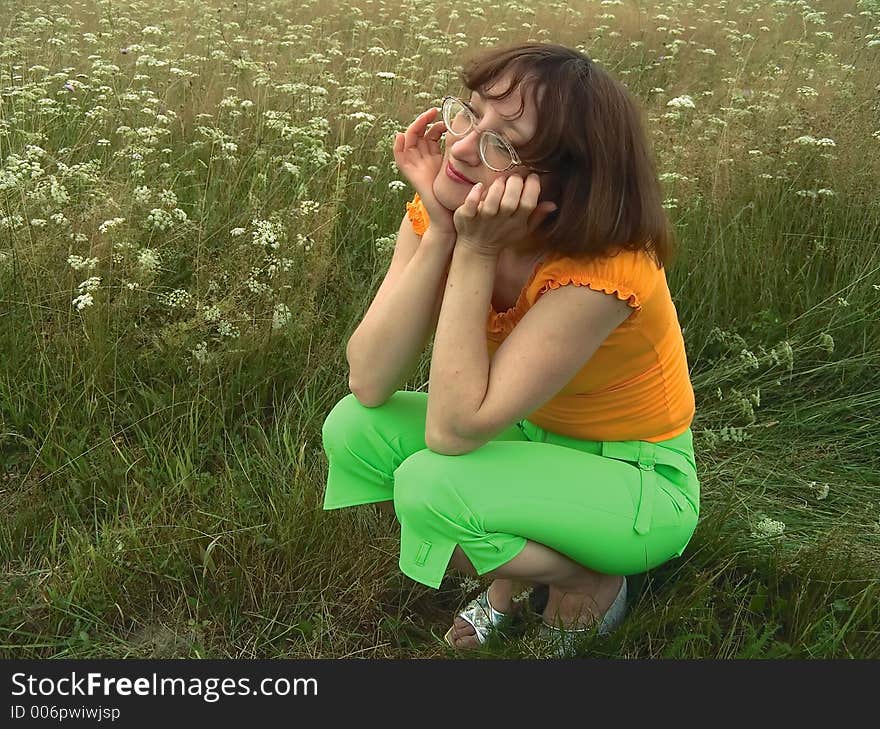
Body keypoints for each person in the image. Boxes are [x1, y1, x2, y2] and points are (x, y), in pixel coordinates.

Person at [321, 42, 700, 657]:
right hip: (533, 436)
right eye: (468, 114)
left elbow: (454, 429)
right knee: (355, 427)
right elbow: (369, 378)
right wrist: (443, 230)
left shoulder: (603, 270)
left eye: (507, 145)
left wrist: (473, 251)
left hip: (635, 479)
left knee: (431, 480)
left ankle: (589, 580)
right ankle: (525, 574)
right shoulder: (453, 211)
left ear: (568, 181)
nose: (464, 147)